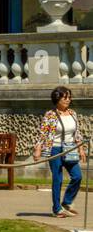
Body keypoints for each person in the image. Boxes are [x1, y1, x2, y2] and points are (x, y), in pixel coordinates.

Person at [33, 86, 84, 219]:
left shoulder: (73, 113)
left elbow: (76, 133)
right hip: (54, 149)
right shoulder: (50, 115)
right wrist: (38, 149)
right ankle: (57, 209)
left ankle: (67, 202)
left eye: (69, 97)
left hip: (70, 148)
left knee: (77, 176)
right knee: (58, 179)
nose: (68, 100)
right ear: (57, 98)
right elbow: (43, 133)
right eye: (65, 97)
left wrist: (81, 148)